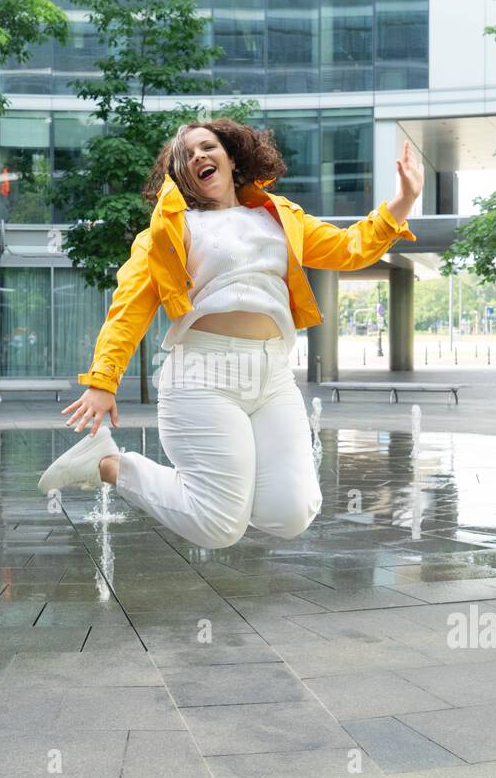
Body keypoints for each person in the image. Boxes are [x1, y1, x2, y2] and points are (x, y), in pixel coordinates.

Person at [38, 118, 422, 549]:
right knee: (219, 528)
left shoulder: (279, 218)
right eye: (186, 155)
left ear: (232, 156)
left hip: (272, 374)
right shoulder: (171, 229)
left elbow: (349, 248)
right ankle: (106, 463)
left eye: (208, 147)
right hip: (202, 375)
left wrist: (403, 199)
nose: (199, 156)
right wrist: (103, 381)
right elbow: (130, 307)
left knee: (291, 512)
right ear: (180, 175)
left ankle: (224, 499)